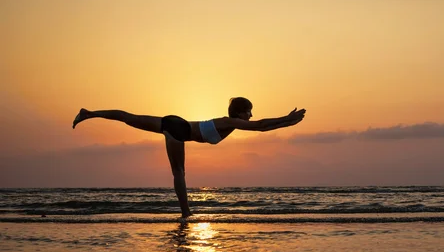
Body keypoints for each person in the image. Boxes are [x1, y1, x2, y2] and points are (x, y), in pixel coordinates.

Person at [72, 97, 306, 218]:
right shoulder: (230, 122)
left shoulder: (232, 124)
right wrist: (287, 119)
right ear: (239, 113)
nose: (251, 114)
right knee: (179, 173)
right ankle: (185, 212)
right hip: (179, 130)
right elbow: (260, 126)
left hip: (175, 123)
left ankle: (89, 113)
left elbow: (260, 127)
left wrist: (287, 121)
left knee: (128, 117)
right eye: (248, 111)